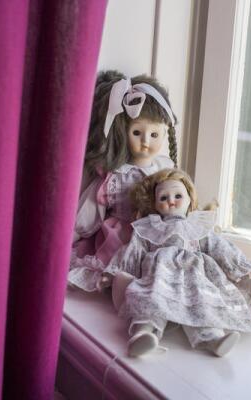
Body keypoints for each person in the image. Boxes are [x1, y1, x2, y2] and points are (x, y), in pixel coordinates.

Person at [103, 169, 251, 357]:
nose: (171, 201)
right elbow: (132, 251)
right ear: (155, 204)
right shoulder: (149, 227)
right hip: (160, 275)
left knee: (202, 304)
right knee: (151, 300)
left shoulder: (198, 226)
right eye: (163, 198)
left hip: (194, 276)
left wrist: (242, 268)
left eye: (178, 195)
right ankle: (142, 335)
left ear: (189, 200)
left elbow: (220, 247)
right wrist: (113, 273)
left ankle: (213, 339)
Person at [68, 71, 178, 292]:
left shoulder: (164, 169)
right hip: (120, 237)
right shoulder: (115, 175)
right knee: (120, 263)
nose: (145, 142)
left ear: (164, 133)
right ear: (122, 132)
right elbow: (91, 210)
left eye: (154, 135)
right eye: (137, 132)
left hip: (155, 233)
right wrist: (71, 235)